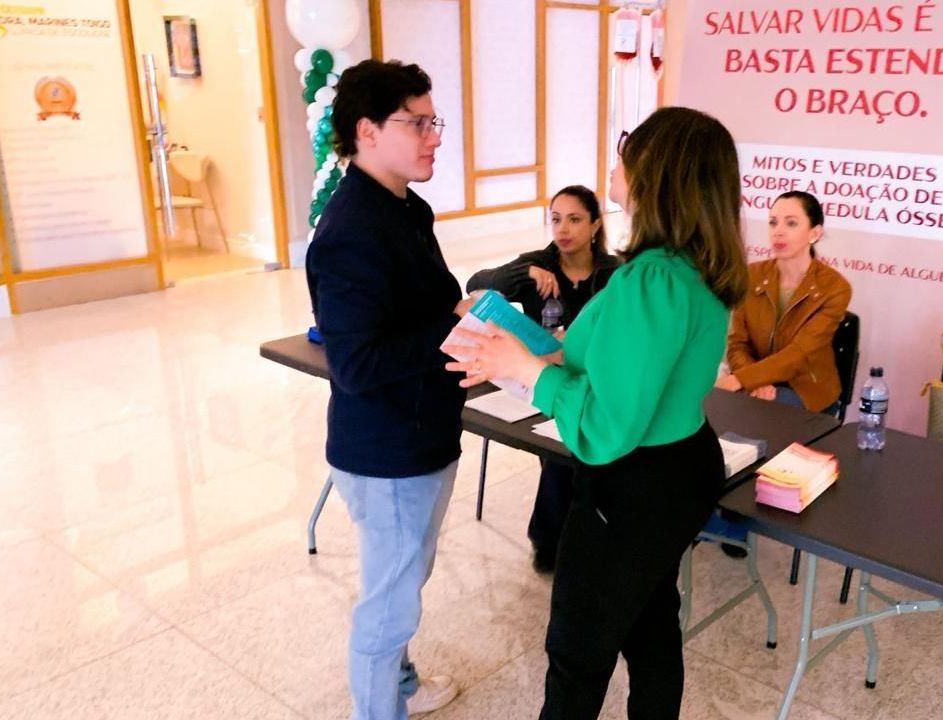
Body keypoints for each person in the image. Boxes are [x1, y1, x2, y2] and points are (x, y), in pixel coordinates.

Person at [444, 107, 749, 719]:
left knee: (579, 650)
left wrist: (529, 372)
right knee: (649, 620)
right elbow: (594, 360)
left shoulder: (651, 282)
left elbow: (607, 428)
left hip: (634, 483)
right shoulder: (682, 270)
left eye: (624, 155)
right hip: (675, 468)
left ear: (656, 175)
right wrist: (516, 349)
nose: (614, 167)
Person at [305, 59, 469, 720]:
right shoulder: (349, 233)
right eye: (419, 123)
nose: (435, 136)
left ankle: (400, 687)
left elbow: (420, 313)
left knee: (404, 580)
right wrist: (450, 326)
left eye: (435, 121)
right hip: (387, 450)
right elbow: (358, 364)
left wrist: (464, 324)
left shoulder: (405, 206)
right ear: (367, 131)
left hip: (423, 433)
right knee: (389, 600)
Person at [465, 185, 621, 573]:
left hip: (595, 378)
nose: (563, 229)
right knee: (564, 449)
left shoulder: (613, 273)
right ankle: (549, 539)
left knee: (590, 440)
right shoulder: (538, 264)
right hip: (536, 378)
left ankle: (585, 532)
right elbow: (476, 282)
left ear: (595, 224)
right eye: (555, 219)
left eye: (574, 219)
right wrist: (525, 272)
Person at [717, 190, 852, 416]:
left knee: (760, 414)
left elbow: (799, 355)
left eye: (791, 223)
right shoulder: (751, 276)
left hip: (806, 388)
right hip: (755, 381)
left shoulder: (835, 287)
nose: (778, 231)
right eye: (773, 222)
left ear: (814, 233)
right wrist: (754, 381)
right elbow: (737, 344)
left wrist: (740, 380)